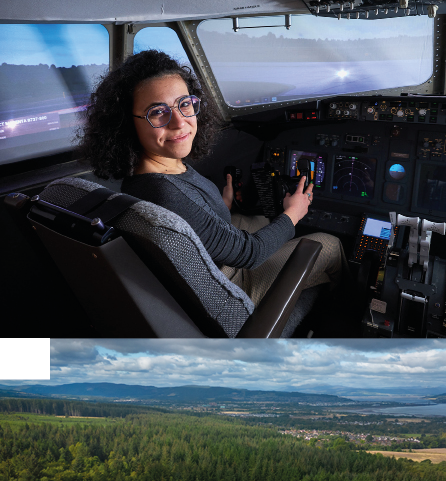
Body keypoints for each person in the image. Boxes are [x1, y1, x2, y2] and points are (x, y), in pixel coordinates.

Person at [77, 49, 345, 305]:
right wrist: (294, 213)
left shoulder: (156, 170)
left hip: (211, 263)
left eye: (184, 104)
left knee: (263, 220)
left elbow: (189, 220)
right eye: (158, 112)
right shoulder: (163, 193)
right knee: (330, 246)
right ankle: (339, 314)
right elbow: (249, 253)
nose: (180, 122)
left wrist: (219, 204)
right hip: (231, 283)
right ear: (126, 124)